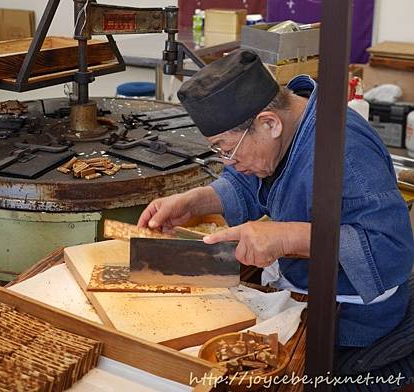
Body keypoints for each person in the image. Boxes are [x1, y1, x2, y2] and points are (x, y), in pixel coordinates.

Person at [138, 49, 413, 366]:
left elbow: (392, 250)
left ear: (269, 123)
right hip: (301, 288)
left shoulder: (344, 151)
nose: (230, 164)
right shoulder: (286, 131)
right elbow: (249, 180)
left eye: (229, 151)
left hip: (352, 316)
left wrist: (286, 237)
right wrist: (194, 200)